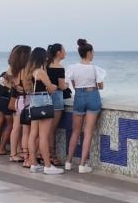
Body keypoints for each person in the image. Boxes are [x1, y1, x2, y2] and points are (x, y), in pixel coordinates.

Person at [65, 39, 106, 173]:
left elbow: (72, 82)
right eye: (92, 52)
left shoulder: (73, 68)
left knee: (76, 131)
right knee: (88, 132)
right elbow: (100, 86)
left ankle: (68, 162)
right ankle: (83, 165)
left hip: (79, 96)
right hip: (92, 95)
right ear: (88, 53)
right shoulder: (95, 69)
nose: (93, 54)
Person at [26, 47, 62, 174]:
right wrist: (56, 85)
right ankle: (47, 165)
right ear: (42, 57)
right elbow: (51, 88)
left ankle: (34, 164)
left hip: (34, 101)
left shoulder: (30, 72)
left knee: (33, 134)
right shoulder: (41, 72)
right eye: (45, 56)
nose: (47, 58)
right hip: (43, 101)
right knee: (44, 136)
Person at [7, 45, 32, 164]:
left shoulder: (13, 69)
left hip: (17, 100)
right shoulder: (25, 70)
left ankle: (13, 153)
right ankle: (24, 153)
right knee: (26, 130)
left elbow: (8, 84)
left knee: (15, 128)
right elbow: (28, 88)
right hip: (25, 100)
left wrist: (16, 86)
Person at [46, 43, 68, 167]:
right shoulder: (59, 68)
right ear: (58, 53)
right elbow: (61, 86)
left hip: (45, 98)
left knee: (45, 129)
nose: (65, 52)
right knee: (51, 129)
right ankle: (51, 155)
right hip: (56, 98)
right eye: (64, 50)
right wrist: (67, 85)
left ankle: (42, 153)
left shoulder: (45, 66)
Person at [0, 67, 14, 155]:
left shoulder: (5, 74)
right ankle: (1, 148)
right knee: (10, 124)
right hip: (7, 101)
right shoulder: (18, 74)